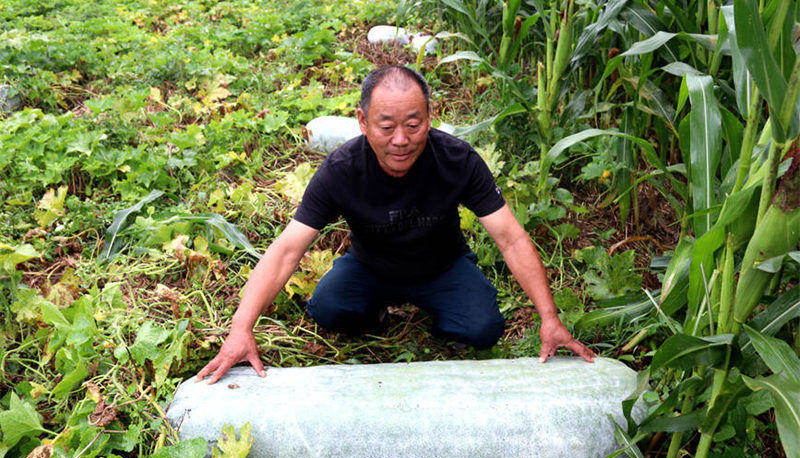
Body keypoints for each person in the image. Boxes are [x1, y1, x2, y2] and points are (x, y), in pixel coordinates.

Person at [197, 65, 596, 384]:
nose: (401, 140)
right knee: (328, 310)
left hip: (443, 267)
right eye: (386, 127)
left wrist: (550, 317)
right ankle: (379, 313)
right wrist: (240, 328)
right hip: (371, 268)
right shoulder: (340, 170)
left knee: (483, 328)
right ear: (362, 121)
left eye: (414, 124)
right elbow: (286, 251)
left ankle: (437, 312)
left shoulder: (458, 160)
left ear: (430, 117)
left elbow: (510, 238)